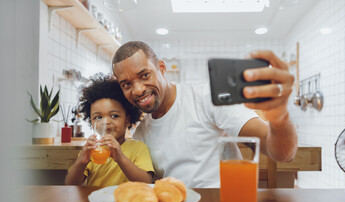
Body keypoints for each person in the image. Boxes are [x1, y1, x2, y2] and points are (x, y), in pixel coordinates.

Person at [112, 41, 298, 188]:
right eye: (126, 84)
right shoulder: (140, 135)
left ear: (161, 68)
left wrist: (279, 116)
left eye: (144, 75)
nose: (137, 90)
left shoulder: (206, 97)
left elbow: (281, 153)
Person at [65, 78, 154, 186]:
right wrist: (81, 161)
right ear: (91, 122)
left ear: (127, 120)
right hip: (96, 201)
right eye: (98, 117)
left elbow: (147, 182)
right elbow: (70, 184)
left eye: (114, 116)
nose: (106, 122)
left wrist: (120, 157)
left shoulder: (138, 148)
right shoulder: (92, 150)